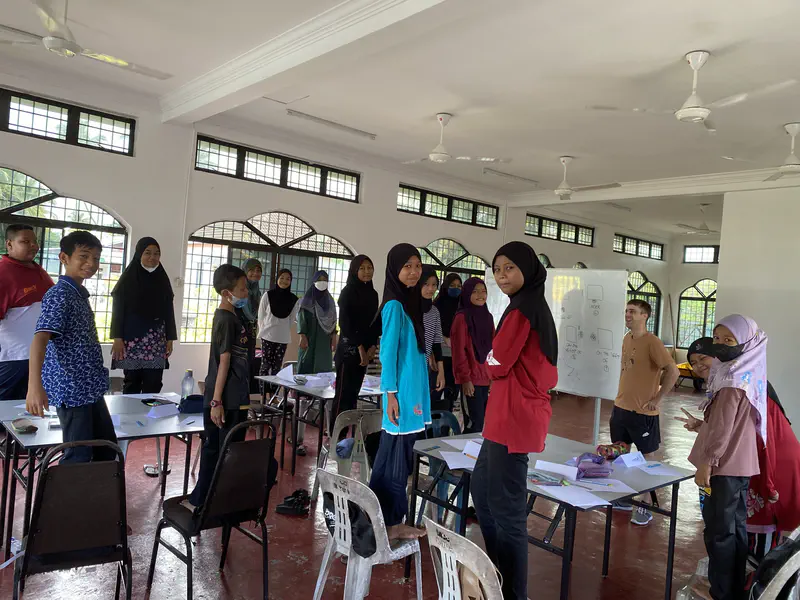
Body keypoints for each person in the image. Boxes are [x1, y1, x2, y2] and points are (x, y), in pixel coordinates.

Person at [471, 241, 558, 600]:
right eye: (496, 268)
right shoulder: (521, 307)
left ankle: (512, 592)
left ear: (527, 268)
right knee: (481, 490)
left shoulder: (525, 309)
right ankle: (497, 575)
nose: (501, 275)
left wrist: (488, 362)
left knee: (506, 510)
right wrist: (490, 361)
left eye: (509, 267)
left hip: (515, 418)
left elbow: (498, 363)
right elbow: (497, 361)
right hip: (504, 416)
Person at [684, 337, 800, 570]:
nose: (698, 366)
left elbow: (756, 433)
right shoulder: (729, 381)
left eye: (703, 358)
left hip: (768, 462)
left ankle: (755, 581)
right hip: (752, 461)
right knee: (740, 526)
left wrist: (767, 481)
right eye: (693, 362)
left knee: (756, 526)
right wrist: (703, 426)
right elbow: (731, 424)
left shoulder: (738, 383)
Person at [688, 315, 764, 600]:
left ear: (745, 341)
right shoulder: (747, 372)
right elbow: (732, 423)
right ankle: (733, 590)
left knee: (719, 534)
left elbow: (722, 428)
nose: (720, 345)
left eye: (728, 340)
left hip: (724, 466)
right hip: (740, 464)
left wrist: (707, 463)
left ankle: (722, 593)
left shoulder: (732, 380)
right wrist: (701, 426)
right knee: (735, 530)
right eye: (717, 339)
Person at [26, 231, 116, 463]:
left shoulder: (78, 294)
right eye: (84, 256)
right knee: (79, 456)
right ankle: (70, 499)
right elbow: (40, 339)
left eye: (96, 258)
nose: (91, 264)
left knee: (106, 449)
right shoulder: (59, 295)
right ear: (64, 258)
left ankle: (97, 496)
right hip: (73, 390)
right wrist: (34, 387)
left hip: (90, 387)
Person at [369, 244, 429, 540]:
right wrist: (390, 394)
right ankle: (391, 524)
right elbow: (387, 352)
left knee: (391, 458)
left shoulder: (410, 303)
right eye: (407, 266)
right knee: (396, 461)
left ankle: (379, 519)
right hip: (400, 396)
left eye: (418, 266)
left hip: (410, 392)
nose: (414, 272)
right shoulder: (394, 305)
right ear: (395, 270)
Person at [184, 264, 252, 510]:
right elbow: (223, 362)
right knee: (220, 450)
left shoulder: (234, 317)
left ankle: (207, 498)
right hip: (227, 398)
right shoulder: (225, 319)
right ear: (226, 292)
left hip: (232, 394)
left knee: (219, 450)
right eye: (242, 289)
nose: (246, 294)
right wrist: (216, 401)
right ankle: (207, 500)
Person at [610, 299, 679, 525]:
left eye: (633, 312)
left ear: (644, 316)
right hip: (621, 408)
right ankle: (625, 497)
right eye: (626, 311)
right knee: (621, 454)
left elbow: (673, 371)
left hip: (643, 413)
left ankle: (645, 505)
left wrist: (657, 398)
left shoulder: (653, 342)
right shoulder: (627, 338)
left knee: (647, 458)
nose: (627, 315)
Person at [110, 237, 177, 394]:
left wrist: (170, 338)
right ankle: (129, 417)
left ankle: (151, 418)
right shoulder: (127, 280)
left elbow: (169, 310)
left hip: (156, 340)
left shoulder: (162, 279)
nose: (152, 257)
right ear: (139, 254)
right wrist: (117, 338)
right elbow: (118, 310)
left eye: (156, 253)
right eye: (147, 253)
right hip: (131, 340)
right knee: (132, 382)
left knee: (154, 383)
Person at [0, 224, 53, 400]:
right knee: (6, 406)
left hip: (43, 354)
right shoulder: (3, 273)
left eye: (35, 241)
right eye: (25, 241)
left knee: (30, 409)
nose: (34, 246)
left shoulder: (38, 270)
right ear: (9, 244)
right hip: (15, 358)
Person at [333, 256, 380, 439]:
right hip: (348, 351)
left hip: (365, 352)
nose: (367, 271)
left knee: (353, 396)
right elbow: (345, 323)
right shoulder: (348, 292)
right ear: (354, 271)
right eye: (362, 268)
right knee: (343, 396)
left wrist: (372, 346)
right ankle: (337, 436)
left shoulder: (373, 294)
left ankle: (348, 437)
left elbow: (373, 324)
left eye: (370, 267)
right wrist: (360, 346)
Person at [451, 277, 494, 433]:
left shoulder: (488, 317)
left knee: (483, 423)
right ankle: (466, 455)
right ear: (467, 293)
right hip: (471, 379)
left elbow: (492, 349)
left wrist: (492, 376)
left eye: (483, 291)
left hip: (485, 378)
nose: (480, 295)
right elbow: (458, 351)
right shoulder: (462, 317)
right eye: (475, 291)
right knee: (473, 423)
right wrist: (465, 379)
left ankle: (476, 455)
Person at [257, 268, 299, 384]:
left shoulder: (294, 299)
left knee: (277, 368)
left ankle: (273, 396)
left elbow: (291, 319)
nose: (284, 281)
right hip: (267, 336)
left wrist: (283, 329)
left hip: (283, 338)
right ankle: (263, 395)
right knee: (265, 366)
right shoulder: (268, 295)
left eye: (288, 279)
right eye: (282, 278)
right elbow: (261, 316)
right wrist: (264, 329)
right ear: (277, 279)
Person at [432, 273, 462, 412]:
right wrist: (445, 338)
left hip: (456, 357)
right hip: (440, 356)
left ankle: (446, 426)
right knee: (436, 391)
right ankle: (432, 428)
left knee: (452, 393)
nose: (456, 289)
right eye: (452, 286)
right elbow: (432, 330)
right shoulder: (436, 306)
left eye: (458, 286)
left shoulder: (462, 307)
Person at [297, 270, 337, 374]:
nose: (322, 282)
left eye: (325, 280)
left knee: (322, 367)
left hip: (325, 339)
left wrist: (334, 337)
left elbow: (333, 320)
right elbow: (302, 318)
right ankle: (302, 390)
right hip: (309, 337)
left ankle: (320, 390)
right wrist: (302, 336)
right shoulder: (307, 300)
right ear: (314, 281)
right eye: (319, 280)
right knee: (306, 365)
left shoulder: (330, 301)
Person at [421, 267, 445, 410]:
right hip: (407, 369)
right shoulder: (408, 309)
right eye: (426, 284)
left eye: (434, 284)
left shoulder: (434, 311)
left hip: (424, 369)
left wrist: (440, 372)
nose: (430, 289)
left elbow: (436, 343)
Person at [241, 258, 263, 392]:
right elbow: (248, 313)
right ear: (245, 271)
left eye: (259, 270)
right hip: (239, 332)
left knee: (248, 364)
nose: (255, 273)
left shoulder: (257, 291)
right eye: (252, 270)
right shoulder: (241, 289)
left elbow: (256, 315)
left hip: (251, 332)